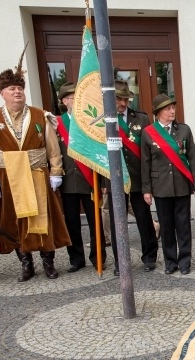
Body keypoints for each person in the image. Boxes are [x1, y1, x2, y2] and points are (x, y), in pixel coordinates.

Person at [0, 52, 71, 282]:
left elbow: (52, 146)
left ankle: (48, 262)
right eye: (11, 88)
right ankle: (26, 263)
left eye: (20, 88)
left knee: (42, 218)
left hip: (38, 174)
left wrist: (56, 171)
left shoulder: (41, 115)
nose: (17, 91)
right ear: (2, 93)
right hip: (9, 177)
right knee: (17, 221)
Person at [142, 94, 195, 275]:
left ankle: (185, 261)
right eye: (167, 108)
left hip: (181, 185)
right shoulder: (148, 133)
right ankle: (170, 261)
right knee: (167, 226)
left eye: (172, 108)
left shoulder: (183, 130)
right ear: (158, 112)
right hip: (160, 187)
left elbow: (192, 158)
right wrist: (147, 189)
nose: (172, 111)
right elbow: (145, 164)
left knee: (183, 225)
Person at [55, 82, 107, 273]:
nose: (75, 100)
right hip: (68, 180)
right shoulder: (57, 123)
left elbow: (98, 152)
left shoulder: (90, 120)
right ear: (64, 101)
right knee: (72, 222)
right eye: (71, 97)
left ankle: (98, 257)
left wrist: (101, 182)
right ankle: (76, 258)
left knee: (95, 222)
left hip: (90, 179)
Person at [108, 79, 158, 276]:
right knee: (116, 222)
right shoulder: (106, 120)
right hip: (115, 179)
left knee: (144, 219)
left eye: (125, 99)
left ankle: (150, 256)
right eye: (119, 99)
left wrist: (149, 182)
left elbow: (147, 152)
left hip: (138, 177)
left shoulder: (142, 119)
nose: (122, 104)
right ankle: (120, 261)